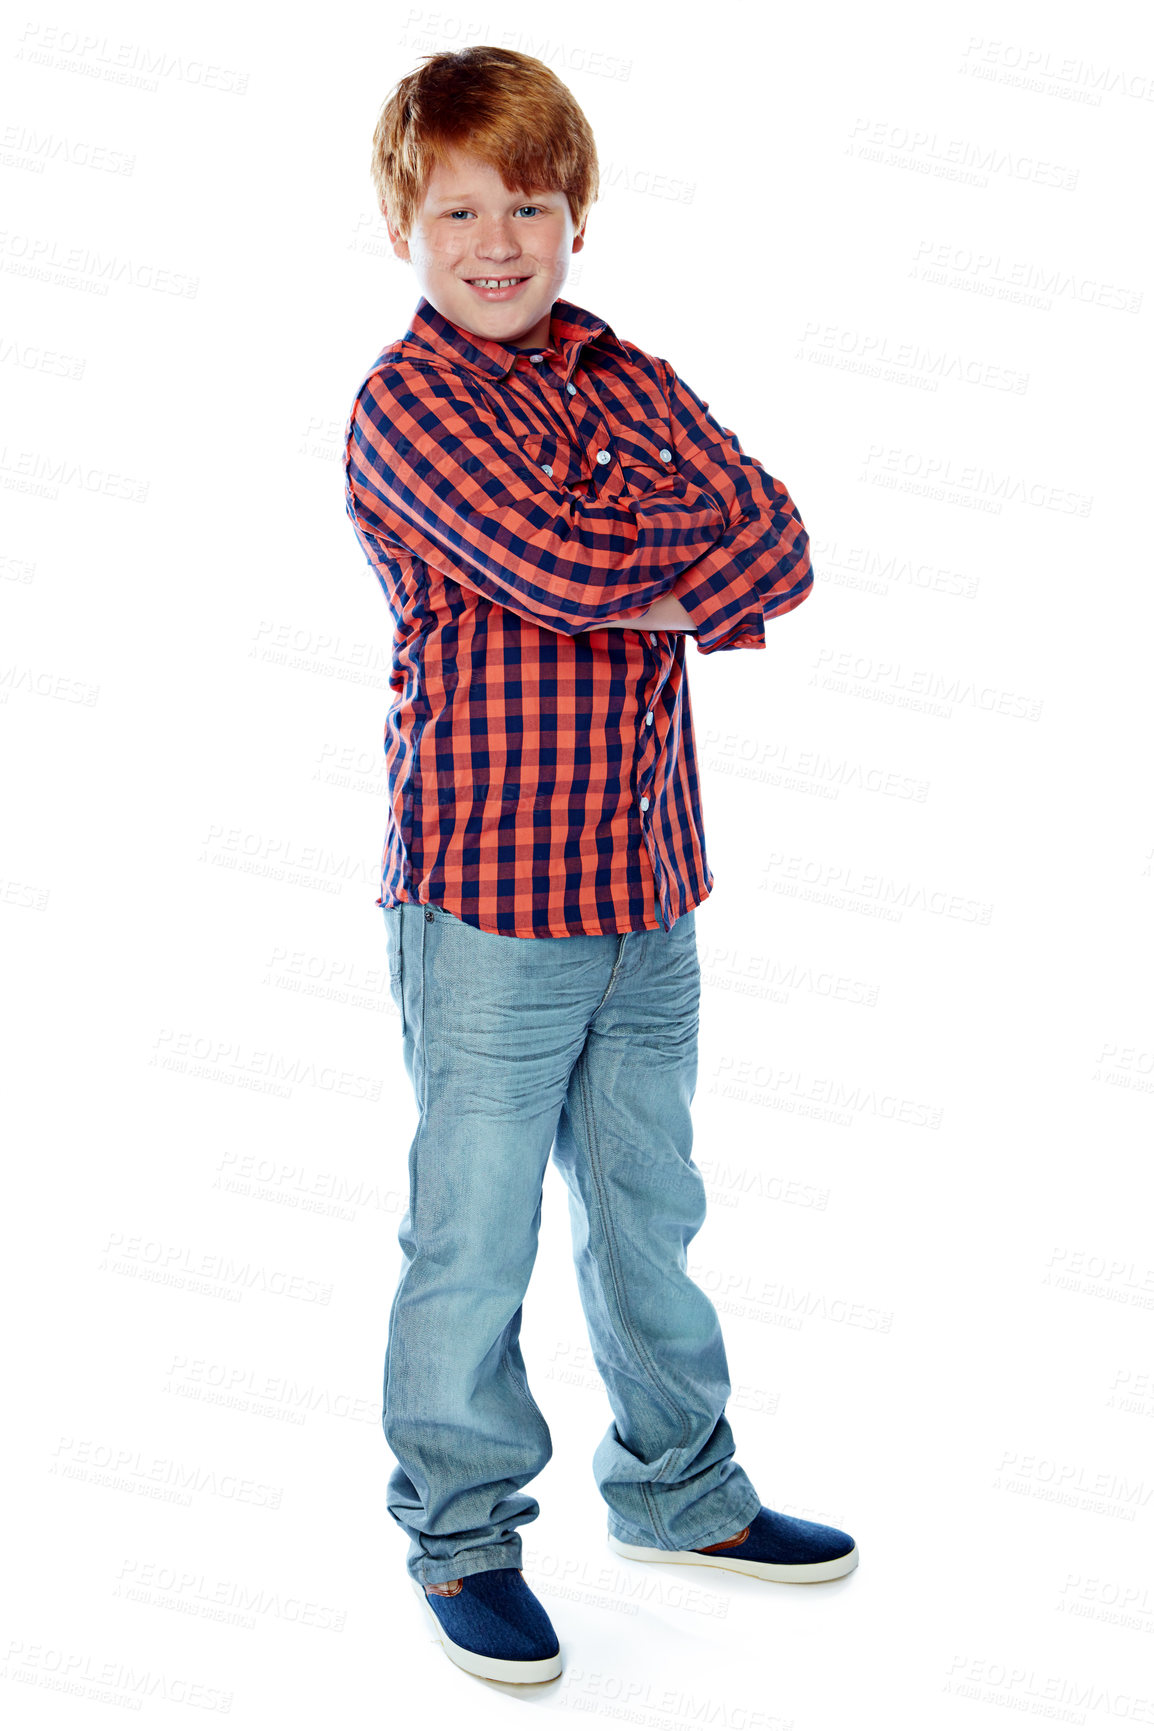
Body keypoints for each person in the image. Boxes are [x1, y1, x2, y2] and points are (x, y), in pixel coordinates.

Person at [342, 45, 858, 1686]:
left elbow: (775, 532)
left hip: (647, 882)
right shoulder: (405, 403)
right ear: (407, 226)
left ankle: (681, 1491)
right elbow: (561, 563)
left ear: (576, 216)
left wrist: (655, 556)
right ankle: (463, 1538)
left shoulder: (627, 371)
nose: (498, 240)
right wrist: (663, 559)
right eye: (460, 210)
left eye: (531, 205)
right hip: (488, 894)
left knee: (651, 1207)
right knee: (472, 1231)